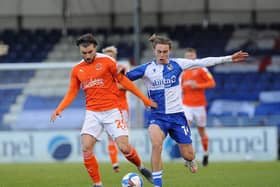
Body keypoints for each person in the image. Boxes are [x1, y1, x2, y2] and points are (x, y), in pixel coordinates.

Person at [124, 34, 248, 187]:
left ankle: (189, 160)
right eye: (159, 52)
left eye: (165, 52)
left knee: (189, 154)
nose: (162, 55)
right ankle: (158, 184)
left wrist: (229, 58)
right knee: (156, 144)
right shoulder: (146, 69)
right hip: (158, 116)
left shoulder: (178, 64)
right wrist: (142, 97)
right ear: (154, 51)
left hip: (177, 117)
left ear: (170, 51)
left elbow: (202, 62)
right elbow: (123, 80)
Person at [50, 33, 157, 187]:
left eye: (90, 52)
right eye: (84, 53)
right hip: (92, 113)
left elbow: (124, 81)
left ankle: (141, 167)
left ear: (95, 48)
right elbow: (72, 91)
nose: (87, 56)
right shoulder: (77, 70)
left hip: (112, 111)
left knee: (124, 148)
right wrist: (59, 108)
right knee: (86, 147)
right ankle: (98, 184)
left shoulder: (107, 61)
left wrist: (144, 99)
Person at [181, 48, 216, 167]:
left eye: (192, 56)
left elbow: (212, 83)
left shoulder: (202, 69)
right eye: (188, 56)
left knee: (202, 132)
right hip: (186, 105)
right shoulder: (182, 71)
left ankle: (206, 153)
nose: (190, 58)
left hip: (199, 106)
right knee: (185, 128)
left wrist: (197, 85)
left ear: (195, 57)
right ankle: (188, 157)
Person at [102, 45, 128, 173]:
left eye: (111, 55)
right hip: (108, 107)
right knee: (110, 137)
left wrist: (111, 86)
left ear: (115, 56)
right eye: (107, 55)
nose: (109, 58)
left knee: (122, 137)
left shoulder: (121, 68)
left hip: (122, 108)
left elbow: (125, 85)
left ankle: (131, 159)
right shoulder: (101, 71)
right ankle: (115, 164)